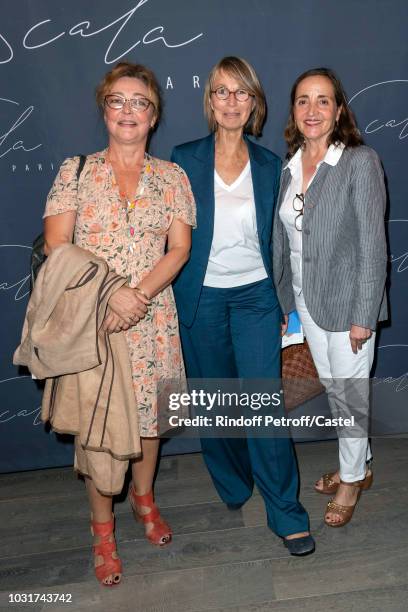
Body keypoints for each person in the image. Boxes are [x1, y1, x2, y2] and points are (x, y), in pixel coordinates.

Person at [43, 61, 196, 585]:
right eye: (118, 100)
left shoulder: (172, 177)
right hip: (96, 323)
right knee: (101, 429)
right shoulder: (76, 170)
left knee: (151, 422)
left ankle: (144, 499)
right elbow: (59, 247)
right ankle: (102, 528)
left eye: (140, 102)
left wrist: (139, 294)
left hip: (154, 320)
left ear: (154, 116)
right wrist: (113, 293)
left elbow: (180, 248)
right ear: (103, 108)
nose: (128, 111)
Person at [171, 56, 314, 556]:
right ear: (209, 101)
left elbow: (283, 242)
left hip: (256, 296)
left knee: (262, 406)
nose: (232, 102)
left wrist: (287, 304)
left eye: (242, 93)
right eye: (222, 92)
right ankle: (233, 483)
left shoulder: (272, 166)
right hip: (201, 297)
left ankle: (287, 512)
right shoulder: (182, 158)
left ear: (254, 103)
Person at [273, 67, 387, 527]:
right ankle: (357, 465)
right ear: (294, 111)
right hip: (305, 302)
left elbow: (373, 246)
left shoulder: (359, 161)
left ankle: (350, 481)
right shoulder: (286, 166)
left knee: (350, 394)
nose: (312, 110)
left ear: (338, 110)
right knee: (339, 392)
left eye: (323, 100)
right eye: (303, 100)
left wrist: (364, 314)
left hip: (347, 305)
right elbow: (283, 242)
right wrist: (286, 303)